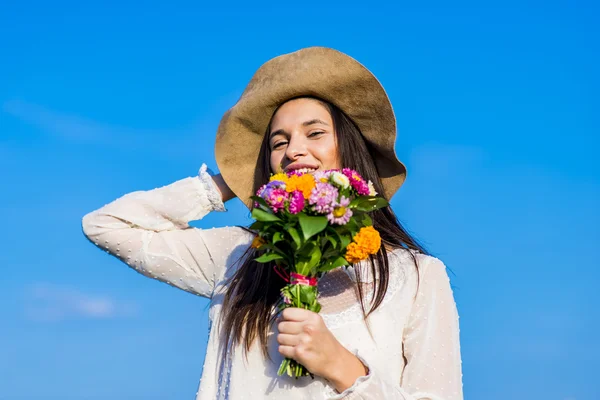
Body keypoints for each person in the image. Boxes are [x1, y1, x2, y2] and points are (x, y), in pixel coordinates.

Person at [82, 47, 463, 400]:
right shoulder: (238, 256)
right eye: (278, 144)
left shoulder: (417, 277)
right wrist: (232, 181)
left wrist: (342, 367)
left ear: (351, 148)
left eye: (315, 133)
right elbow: (107, 224)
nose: (294, 150)